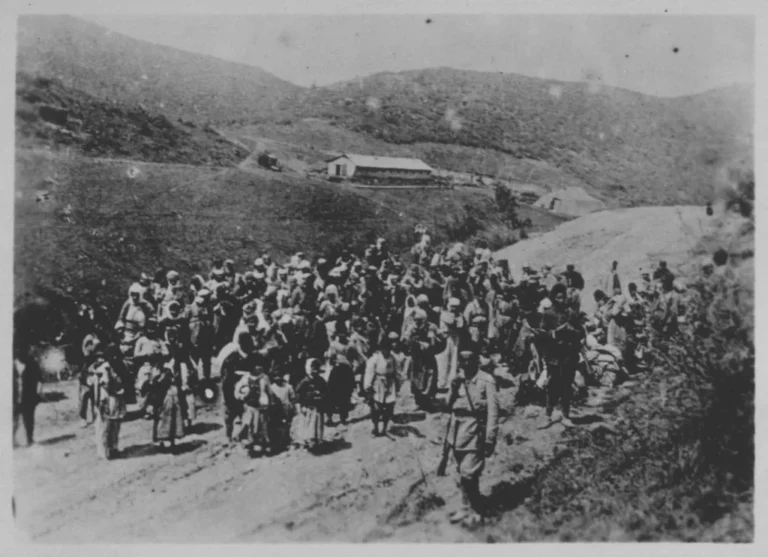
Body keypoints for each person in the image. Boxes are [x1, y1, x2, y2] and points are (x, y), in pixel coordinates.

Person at [445, 350, 499, 527]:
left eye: (469, 361)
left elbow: (493, 413)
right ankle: (465, 507)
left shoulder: (486, 381)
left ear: (476, 362)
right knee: (463, 472)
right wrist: (453, 387)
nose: (465, 365)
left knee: (469, 473)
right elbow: (448, 405)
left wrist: (490, 438)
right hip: (457, 431)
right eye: (462, 361)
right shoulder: (458, 379)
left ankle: (477, 510)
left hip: (476, 432)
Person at [537, 283, 585, 428]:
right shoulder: (548, 314)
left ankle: (565, 415)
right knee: (552, 386)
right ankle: (547, 416)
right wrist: (554, 333)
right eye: (558, 298)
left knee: (566, 386)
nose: (561, 300)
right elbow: (541, 334)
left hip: (568, 355)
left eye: (563, 297)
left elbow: (581, 333)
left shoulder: (571, 313)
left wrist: (572, 331)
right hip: (553, 355)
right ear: (553, 298)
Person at [363, 337, 402, 437]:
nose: (387, 351)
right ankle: (375, 428)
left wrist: (398, 385)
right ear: (381, 349)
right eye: (385, 349)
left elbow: (398, 372)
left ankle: (384, 428)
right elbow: (369, 373)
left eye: (388, 349)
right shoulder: (375, 359)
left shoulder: (393, 358)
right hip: (378, 384)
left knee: (389, 407)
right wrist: (368, 388)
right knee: (376, 408)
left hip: (390, 383)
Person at [90, 358, 127, 460]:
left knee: (113, 426)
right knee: (105, 427)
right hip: (107, 399)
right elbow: (105, 385)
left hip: (114, 399)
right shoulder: (104, 369)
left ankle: (112, 449)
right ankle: (105, 451)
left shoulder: (114, 367)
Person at [295, 358, 328, 451]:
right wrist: (300, 406)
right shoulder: (305, 382)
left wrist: (322, 397)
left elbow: (326, 391)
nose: (315, 370)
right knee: (309, 425)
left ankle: (319, 441)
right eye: (313, 368)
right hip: (309, 407)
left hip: (319, 406)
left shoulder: (321, 380)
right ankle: (310, 442)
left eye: (317, 368)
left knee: (318, 424)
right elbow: (298, 394)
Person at [268, 369, 297, 453]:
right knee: (277, 426)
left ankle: (286, 442)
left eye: (279, 376)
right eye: (275, 376)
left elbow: (293, 398)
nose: (277, 378)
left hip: (286, 409)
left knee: (286, 426)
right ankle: (277, 444)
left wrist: (292, 406)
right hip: (276, 410)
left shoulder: (288, 387)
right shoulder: (272, 387)